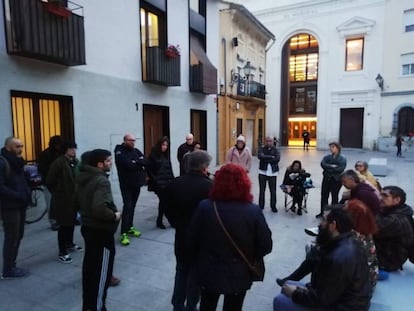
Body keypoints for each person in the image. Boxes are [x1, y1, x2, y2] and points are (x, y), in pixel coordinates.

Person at [188, 163, 272, 311]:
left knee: (207, 305)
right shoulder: (253, 211)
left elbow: (191, 239)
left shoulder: (205, 207)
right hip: (239, 272)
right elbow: (266, 245)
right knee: (234, 307)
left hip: (208, 269)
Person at [273, 207, 371, 311]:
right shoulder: (347, 241)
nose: (320, 224)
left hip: (344, 306)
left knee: (280, 300)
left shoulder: (338, 258)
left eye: (324, 220)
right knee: (288, 285)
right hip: (340, 299)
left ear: (333, 225)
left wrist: (294, 293)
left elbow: (321, 299)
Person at [277, 200, 379, 292]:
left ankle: (304, 284)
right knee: (316, 254)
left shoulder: (354, 237)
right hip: (363, 279)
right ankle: (295, 280)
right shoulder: (363, 231)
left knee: (316, 256)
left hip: (357, 284)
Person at [165, 150, 214, 311]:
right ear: (204, 167)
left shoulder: (174, 183)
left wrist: (177, 224)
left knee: (181, 271)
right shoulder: (209, 186)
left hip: (181, 236)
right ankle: (191, 306)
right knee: (195, 275)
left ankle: (177, 305)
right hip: (201, 241)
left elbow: (167, 208)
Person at [75, 149, 121, 311]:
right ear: (99, 164)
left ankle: (88, 306)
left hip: (88, 228)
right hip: (101, 231)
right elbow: (99, 208)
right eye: (108, 161)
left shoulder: (83, 177)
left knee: (90, 270)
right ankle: (96, 307)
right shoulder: (101, 180)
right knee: (102, 274)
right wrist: (114, 216)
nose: (111, 163)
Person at [46, 142, 82, 264]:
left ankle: (70, 243)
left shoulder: (75, 161)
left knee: (71, 222)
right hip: (62, 199)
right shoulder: (59, 163)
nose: (73, 151)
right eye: (71, 148)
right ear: (65, 150)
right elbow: (50, 181)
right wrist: (58, 191)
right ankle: (62, 251)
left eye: (74, 148)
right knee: (63, 225)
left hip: (74, 198)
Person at [0, 137, 31, 279]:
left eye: (21, 146)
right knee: (12, 236)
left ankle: (12, 264)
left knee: (18, 235)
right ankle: (8, 269)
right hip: (10, 206)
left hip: (20, 204)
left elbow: (21, 180)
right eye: (17, 146)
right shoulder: (3, 162)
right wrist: (18, 195)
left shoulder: (18, 162)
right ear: (8, 147)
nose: (21, 149)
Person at [114, 133, 149, 246]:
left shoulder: (136, 150)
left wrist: (136, 162)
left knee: (132, 206)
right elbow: (127, 164)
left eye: (134, 140)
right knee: (128, 206)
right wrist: (137, 162)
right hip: (126, 184)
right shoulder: (119, 151)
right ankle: (123, 233)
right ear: (124, 140)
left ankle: (130, 227)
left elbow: (145, 161)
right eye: (130, 140)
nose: (133, 142)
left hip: (136, 183)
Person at [374, 186, 414, 276]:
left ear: (397, 200)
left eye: (385, 196)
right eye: (380, 194)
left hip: (388, 260)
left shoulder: (394, 220)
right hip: (390, 254)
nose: (380, 198)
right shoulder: (400, 211)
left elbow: (369, 229)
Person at [38, 135, 65, 230]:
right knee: (50, 203)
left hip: (60, 182)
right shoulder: (46, 154)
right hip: (49, 182)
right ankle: (53, 221)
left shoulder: (61, 153)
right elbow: (42, 168)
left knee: (60, 202)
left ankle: (60, 220)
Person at [148, 136, 174, 229]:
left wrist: (172, 181)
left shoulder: (165, 155)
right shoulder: (153, 155)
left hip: (166, 183)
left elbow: (169, 170)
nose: (165, 147)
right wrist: (157, 182)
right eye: (163, 145)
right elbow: (150, 171)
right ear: (159, 145)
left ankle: (160, 221)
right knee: (164, 202)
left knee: (164, 202)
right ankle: (169, 220)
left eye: (166, 145)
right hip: (159, 184)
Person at [317, 142, 346, 218]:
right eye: (330, 147)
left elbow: (340, 168)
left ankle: (334, 213)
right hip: (327, 178)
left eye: (333, 147)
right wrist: (332, 166)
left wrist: (328, 168)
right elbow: (323, 164)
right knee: (324, 196)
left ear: (337, 148)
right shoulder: (327, 157)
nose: (331, 149)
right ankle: (323, 211)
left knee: (334, 196)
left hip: (336, 180)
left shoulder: (342, 158)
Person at [258, 136, 280, 213]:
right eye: (267, 141)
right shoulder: (262, 148)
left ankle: (273, 206)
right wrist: (271, 157)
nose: (268, 142)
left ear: (272, 141)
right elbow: (260, 156)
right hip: (262, 172)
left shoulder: (276, 150)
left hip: (273, 173)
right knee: (262, 190)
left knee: (273, 191)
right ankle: (261, 206)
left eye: (270, 141)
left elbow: (277, 159)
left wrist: (265, 158)